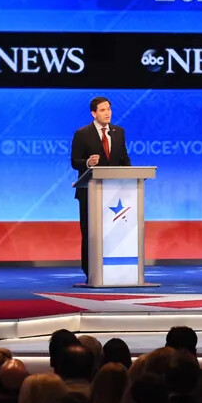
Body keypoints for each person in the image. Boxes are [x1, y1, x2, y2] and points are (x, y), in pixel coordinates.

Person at [71, 95, 131, 274]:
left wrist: (130, 177)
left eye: (109, 109)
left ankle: (115, 269)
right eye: (103, 110)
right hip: (91, 192)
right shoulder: (82, 134)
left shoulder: (118, 132)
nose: (108, 113)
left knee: (115, 230)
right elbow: (75, 162)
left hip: (115, 193)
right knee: (91, 232)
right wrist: (88, 162)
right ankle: (91, 271)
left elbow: (124, 159)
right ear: (93, 113)